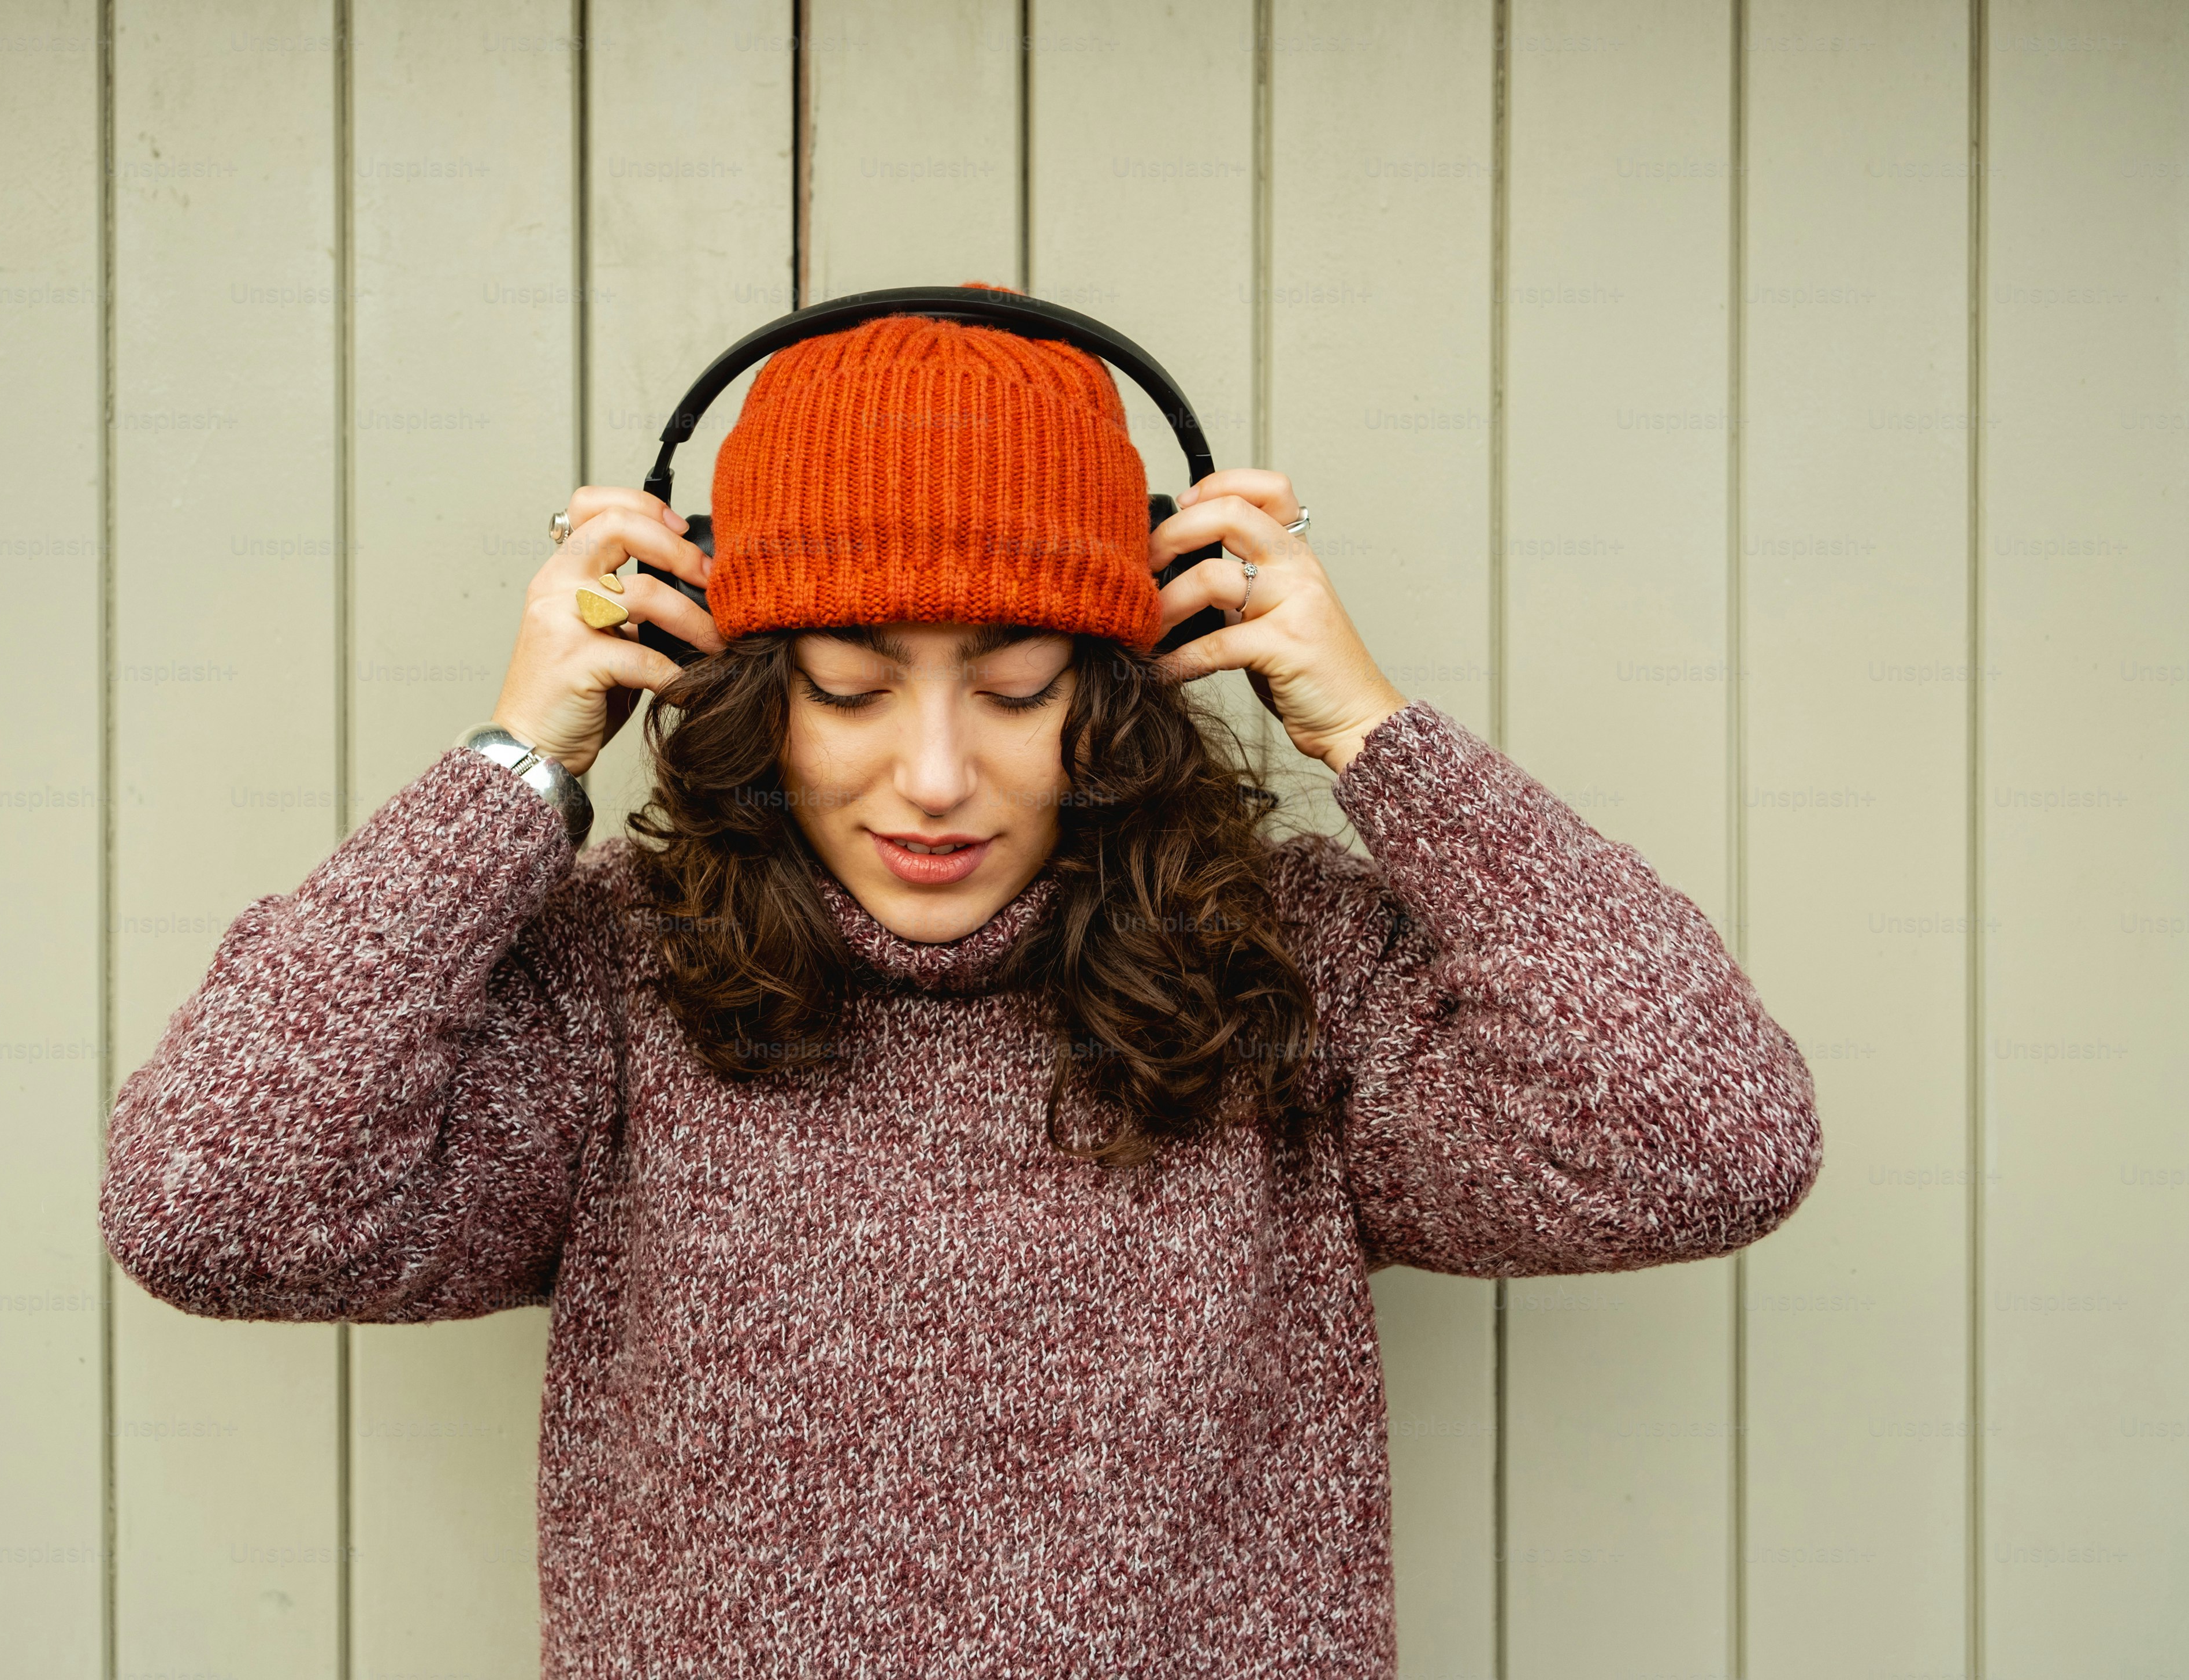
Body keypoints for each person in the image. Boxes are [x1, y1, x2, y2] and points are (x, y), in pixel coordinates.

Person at [98, 301, 1821, 1677]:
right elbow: (215, 1205)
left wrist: (1375, 735)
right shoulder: (615, 985)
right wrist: (515, 766)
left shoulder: (1284, 971)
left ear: (1122, 688)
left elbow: (1701, 1138)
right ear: (741, 687)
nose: (933, 774)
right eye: (849, 685)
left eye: (1011, 685)